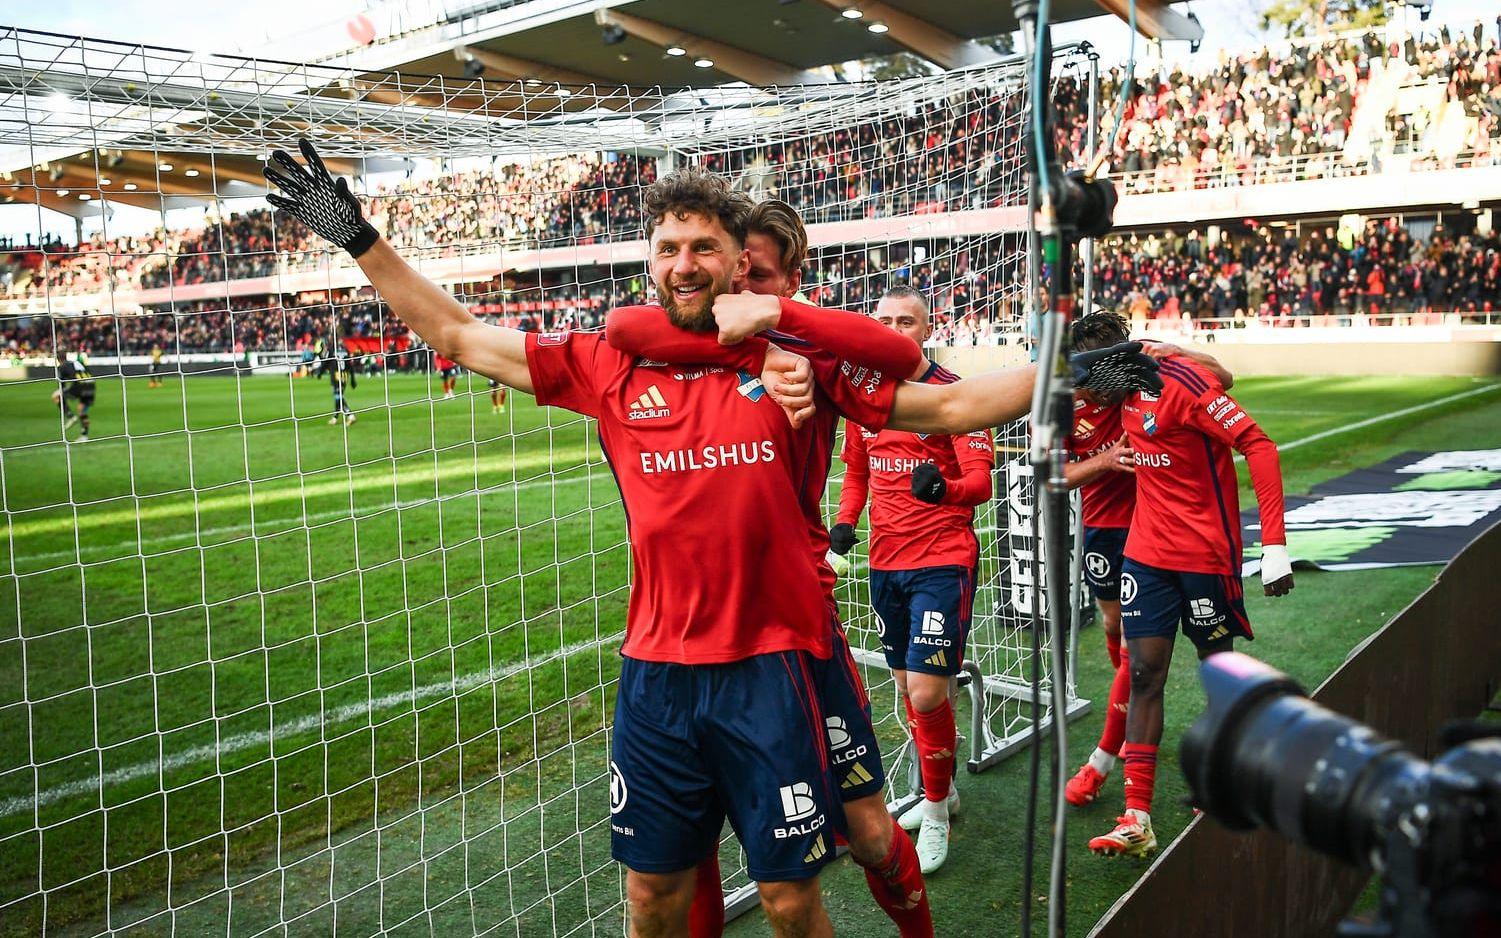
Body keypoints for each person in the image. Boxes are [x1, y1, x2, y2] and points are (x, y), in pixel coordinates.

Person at [265, 142, 928, 938]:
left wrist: (1060, 368)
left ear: (745, 269)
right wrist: (359, 239)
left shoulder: (800, 362)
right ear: (650, 263)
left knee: (812, 878)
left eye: (707, 250)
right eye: (668, 250)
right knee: (658, 890)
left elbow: (922, 377)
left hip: (778, 656)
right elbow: (459, 333)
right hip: (661, 668)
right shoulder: (611, 363)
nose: (688, 265)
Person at [608, 201, 937, 936]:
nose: (738, 288)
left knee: (869, 833)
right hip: (707, 648)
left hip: (801, 637)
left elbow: (907, 365)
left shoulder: (812, 355)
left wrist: (778, 332)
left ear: (789, 281)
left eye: (758, 275)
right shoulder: (693, 344)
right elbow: (624, 325)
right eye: (738, 270)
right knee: (683, 859)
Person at [1066, 312, 1293, 858]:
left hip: (1205, 554)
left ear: (1119, 362)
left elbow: (1258, 445)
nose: (1086, 393)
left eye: (1091, 379)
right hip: (1145, 553)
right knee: (1144, 671)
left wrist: (1276, 547)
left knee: (1217, 670)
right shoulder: (1108, 394)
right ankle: (1136, 815)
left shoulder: (1181, 380)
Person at [829, 285, 995, 876]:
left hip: (942, 562)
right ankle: (942, 789)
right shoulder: (865, 399)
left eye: (907, 321)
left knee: (927, 693)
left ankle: (935, 813)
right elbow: (857, 474)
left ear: (928, 329)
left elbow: (981, 483)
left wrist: (944, 490)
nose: (894, 329)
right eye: (884, 321)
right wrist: (845, 522)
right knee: (910, 688)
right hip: (885, 565)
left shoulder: (955, 397)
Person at [1062, 331, 1234, 809]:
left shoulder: (1146, 381)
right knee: (1121, 637)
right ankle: (1135, 723)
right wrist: (1105, 459)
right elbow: (1051, 476)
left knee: (1165, 656)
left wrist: (1168, 352)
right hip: (1104, 529)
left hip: (1162, 530)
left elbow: (1222, 376)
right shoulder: (1065, 399)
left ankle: (1103, 758)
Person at [52, 350, 96, 442]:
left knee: (56, 396)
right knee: (82, 410)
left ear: (58, 359)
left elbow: (62, 385)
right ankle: (84, 436)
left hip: (80, 386)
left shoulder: (62, 366)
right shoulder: (77, 363)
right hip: (91, 385)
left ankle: (71, 417)